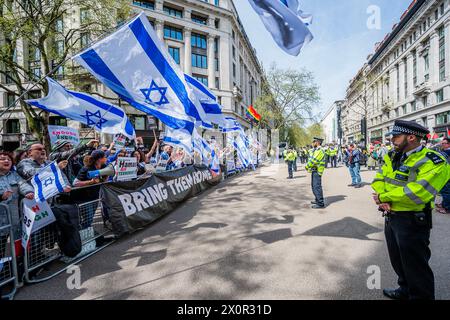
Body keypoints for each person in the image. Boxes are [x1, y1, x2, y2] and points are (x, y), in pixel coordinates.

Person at [371, 120, 450, 300]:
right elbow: (379, 178)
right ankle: (404, 289)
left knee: (416, 266)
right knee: (398, 259)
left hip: (412, 219)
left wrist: (385, 197)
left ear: (412, 137)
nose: (391, 140)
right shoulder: (393, 155)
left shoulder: (434, 160)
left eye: (396, 136)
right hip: (391, 215)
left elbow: (420, 191)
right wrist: (382, 199)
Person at [0, 152, 34, 257]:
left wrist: (28, 192)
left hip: (14, 219)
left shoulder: (14, 175)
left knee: (18, 247)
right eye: (2, 159)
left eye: (9, 159)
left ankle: (17, 269)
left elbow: (23, 184)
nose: (6, 161)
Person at [305, 137, 326, 209]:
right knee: (314, 186)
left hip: (317, 170)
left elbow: (314, 160)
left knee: (317, 187)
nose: (312, 143)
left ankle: (320, 203)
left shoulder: (320, 150)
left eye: (314, 141)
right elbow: (311, 156)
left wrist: (307, 166)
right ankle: (317, 199)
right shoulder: (315, 150)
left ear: (318, 142)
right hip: (314, 170)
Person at [437, 138, 450, 214]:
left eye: (444, 143)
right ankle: (444, 204)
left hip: (447, 175)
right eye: (442, 143)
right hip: (445, 174)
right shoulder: (444, 151)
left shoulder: (447, 152)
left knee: (446, 191)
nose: (442, 144)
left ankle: (447, 208)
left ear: (448, 144)